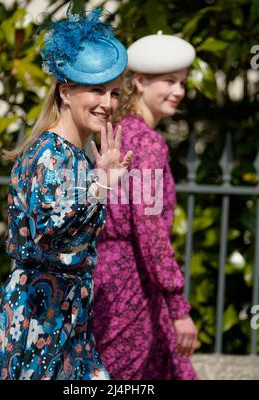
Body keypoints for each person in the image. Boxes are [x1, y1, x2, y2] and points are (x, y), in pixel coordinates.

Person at [0, 8, 133, 380]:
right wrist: (102, 186)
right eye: (96, 90)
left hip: (68, 321)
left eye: (113, 92)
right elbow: (53, 230)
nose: (108, 103)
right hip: (35, 323)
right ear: (65, 91)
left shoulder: (77, 156)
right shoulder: (48, 155)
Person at [92, 33, 199, 380]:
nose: (179, 91)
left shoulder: (119, 132)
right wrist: (178, 308)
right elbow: (150, 229)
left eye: (182, 82)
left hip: (106, 280)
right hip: (132, 287)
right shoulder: (148, 143)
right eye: (169, 81)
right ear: (139, 81)